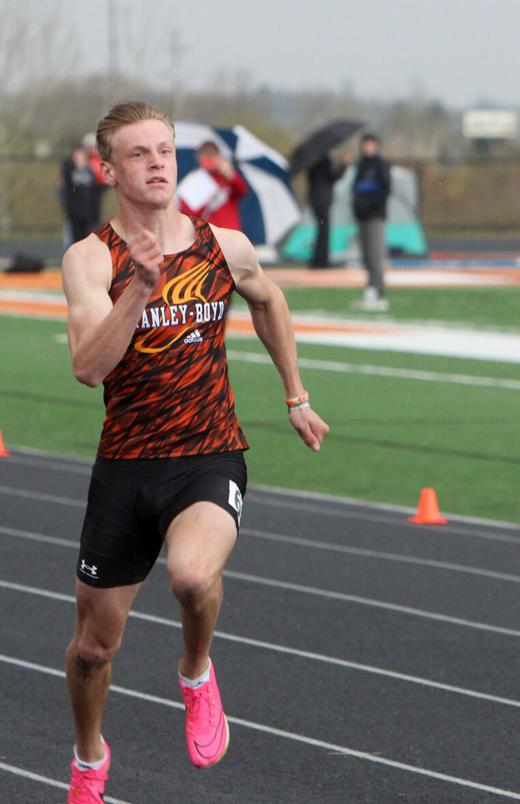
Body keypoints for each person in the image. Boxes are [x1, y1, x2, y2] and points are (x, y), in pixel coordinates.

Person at [60, 101, 328, 802]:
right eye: (139, 154)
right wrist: (139, 291)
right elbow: (90, 367)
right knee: (94, 649)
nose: (156, 164)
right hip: (125, 466)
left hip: (209, 454)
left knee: (189, 577)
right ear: (108, 169)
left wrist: (295, 394)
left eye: (164, 151)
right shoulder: (90, 259)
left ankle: (195, 671)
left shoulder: (224, 245)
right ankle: (89, 756)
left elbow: (268, 302)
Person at [351, 133, 391, 311]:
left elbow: (385, 189)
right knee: (366, 254)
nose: (368, 147)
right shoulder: (360, 166)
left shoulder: (380, 166)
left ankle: (378, 288)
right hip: (362, 216)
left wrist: (371, 205)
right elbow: (356, 189)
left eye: (371, 144)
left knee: (376, 253)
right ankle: (370, 286)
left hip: (375, 215)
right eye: (365, 144)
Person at [178, 140, 249, 231]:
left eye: (213, 154)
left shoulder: (226, 178)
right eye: (206, 154)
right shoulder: (192, 182)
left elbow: (242, 191)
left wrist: (231, 175)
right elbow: (187, 216)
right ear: (199, 157)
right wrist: (207, 202)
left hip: (230, 233)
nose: (209, 158)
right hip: (207, 236)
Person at [306, 152, 348, 268]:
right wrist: (343, 165)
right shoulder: (322, 160)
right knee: (324, 231)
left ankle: (319, 260)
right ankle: (321, 261)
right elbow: (333, 175)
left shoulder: (312, 161)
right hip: (322, 202)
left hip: (316, 201)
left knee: (321, 231)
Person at [61, 146, 101, 244]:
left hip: (89, 213)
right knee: (74, 238)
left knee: (89, 238)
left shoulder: (91, 170)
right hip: (75, 212)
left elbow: (96, 187)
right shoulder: (69, 170)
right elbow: (68, 184)